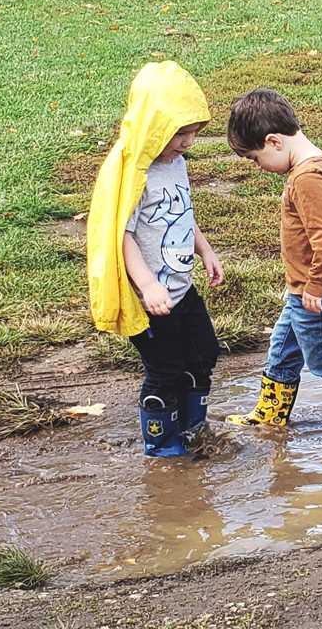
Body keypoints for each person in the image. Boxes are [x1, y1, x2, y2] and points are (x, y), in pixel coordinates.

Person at [87, 61, 225, 458]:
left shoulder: (176, 163)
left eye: (193, 133)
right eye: (179, 133)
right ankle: (163, 449)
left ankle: (193, 432)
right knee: (164, 371)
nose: (187, 143)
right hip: (151, 299)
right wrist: (147, 285)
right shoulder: (133, 174)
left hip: (182, 288)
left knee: (204, 354)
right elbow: (121, 236)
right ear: (153, 126)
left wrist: (204, 249)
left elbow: (183, 213)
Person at [224, 89, 322, 437]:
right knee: (283, 350)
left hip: (319, 294)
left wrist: (317, 285)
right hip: (304, 290)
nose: (259, 167)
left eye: (254, 158)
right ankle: (270, 416)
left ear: (274, 141)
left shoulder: (307, 178)